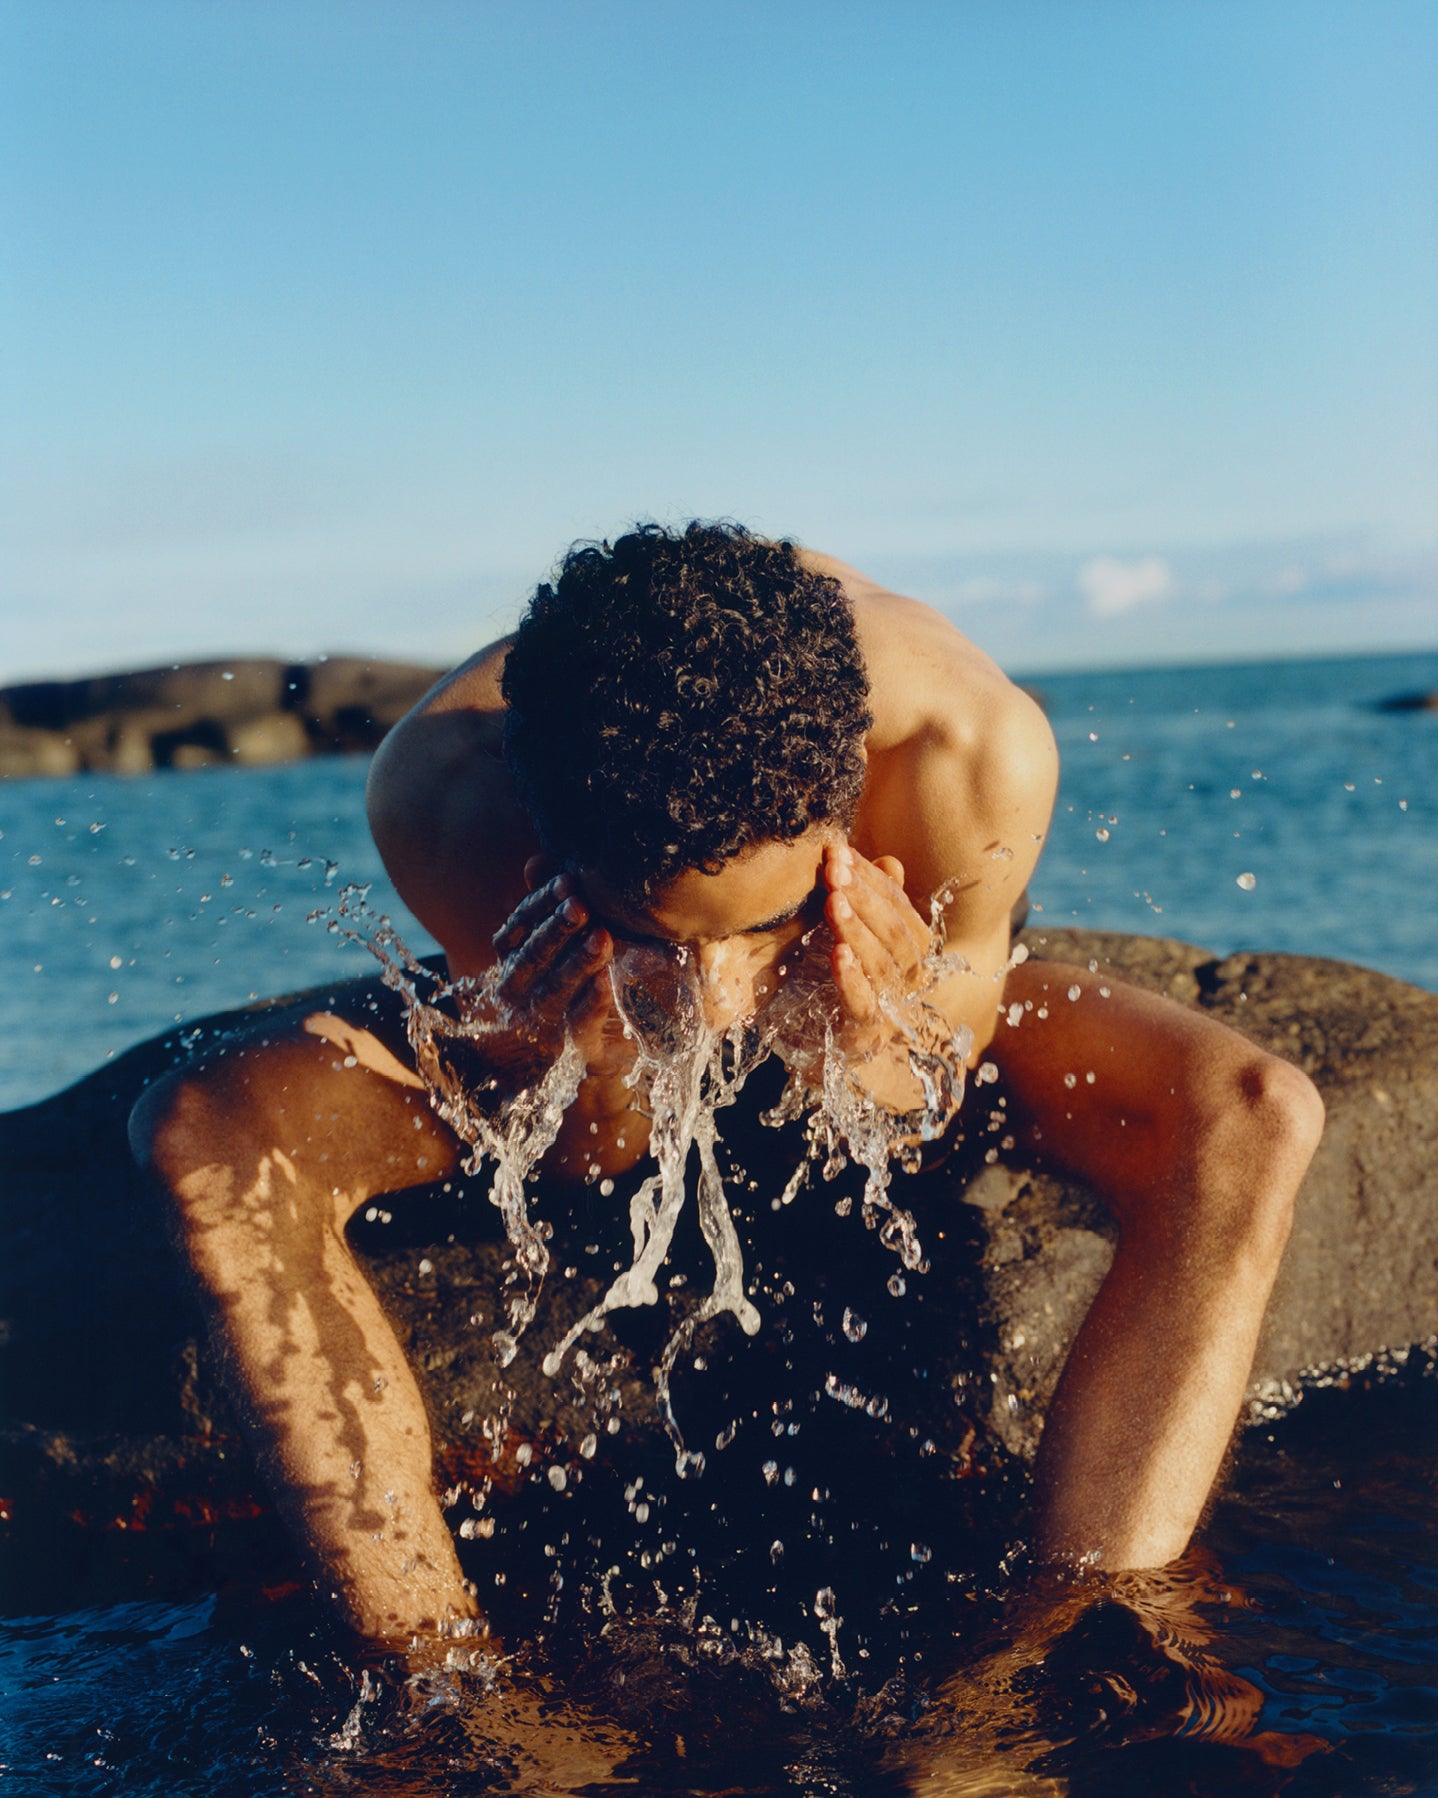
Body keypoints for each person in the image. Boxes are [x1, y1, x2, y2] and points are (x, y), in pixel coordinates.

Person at [130, 522, 1324, 1648]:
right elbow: (591, 1152)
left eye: (758, 924)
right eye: (662, 932)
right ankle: (438, 1685)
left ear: (841, 822)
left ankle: (1075, 1634)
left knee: (1257, 1112)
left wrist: (861, 1033)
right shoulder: (441, 790)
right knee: (202, 1130)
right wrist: (580, 1057)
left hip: (872, 976)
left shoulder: (964, 750)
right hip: (583, 1017)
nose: (713, 994)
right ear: (550, 852)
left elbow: (922, 1099)